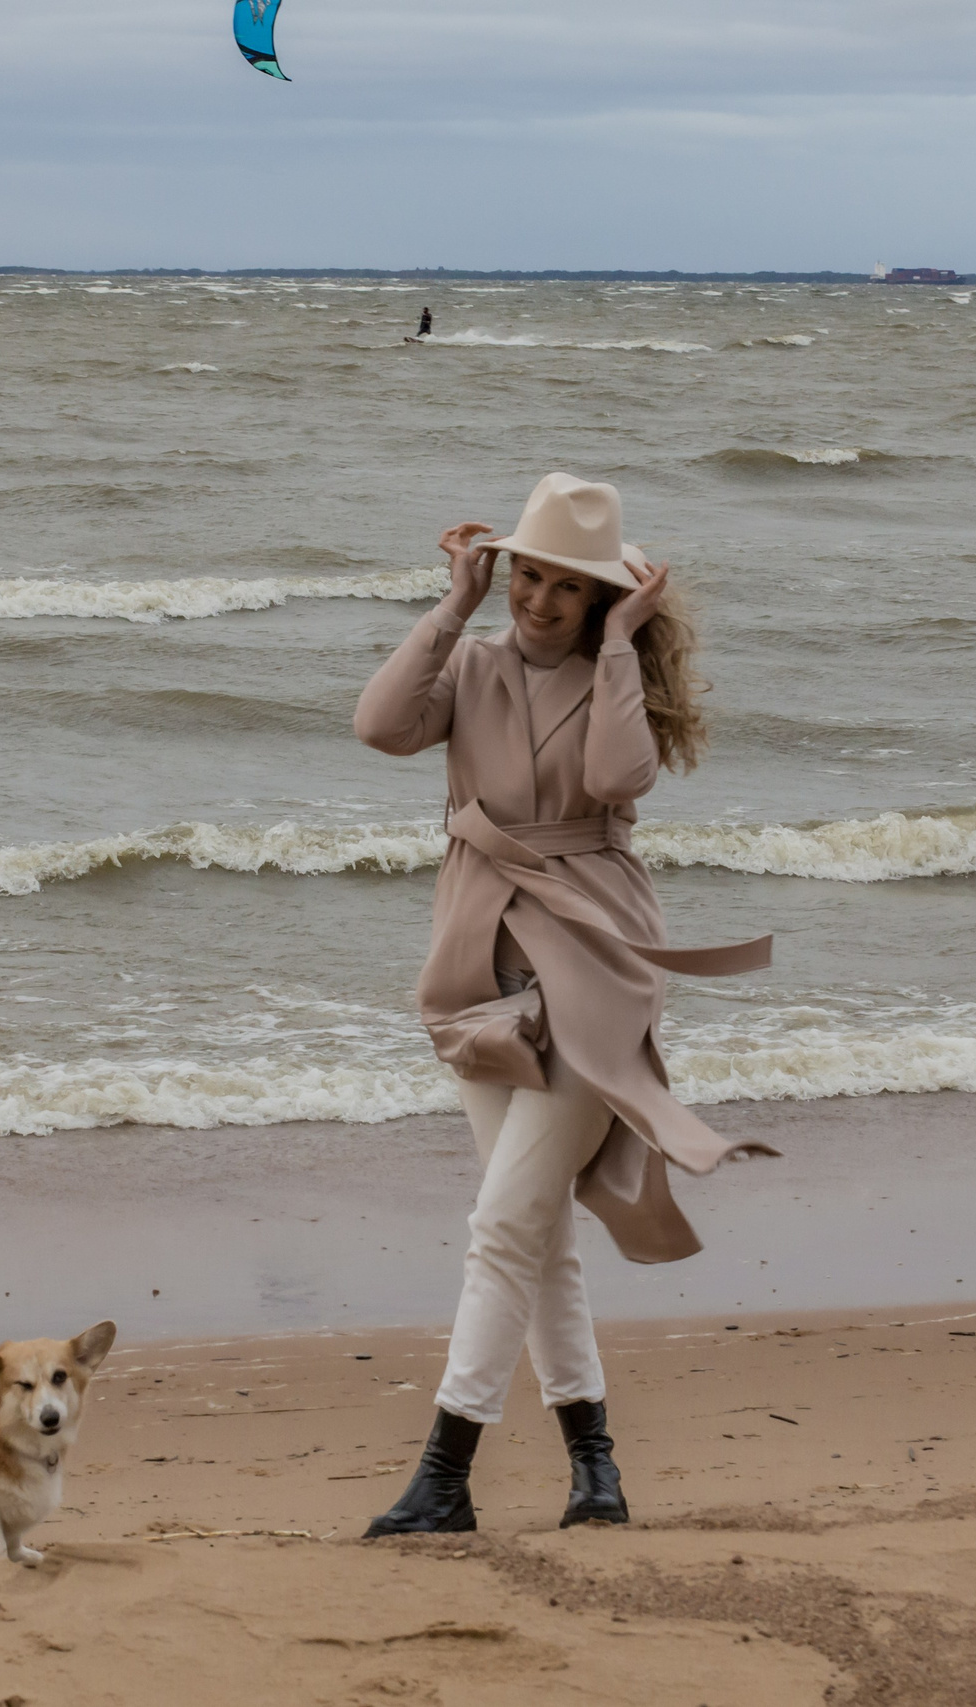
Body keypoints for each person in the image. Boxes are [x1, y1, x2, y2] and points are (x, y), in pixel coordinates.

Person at [351, 472, 772, 1536]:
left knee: (503, 1223)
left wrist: (624, 643)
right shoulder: (474, 662)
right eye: (524, 575)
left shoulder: (610, 671)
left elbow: (619, 777)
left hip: (589, 960)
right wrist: (452, 604)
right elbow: (379, 727)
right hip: (473, 966)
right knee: (534, 1231)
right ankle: (596, 1471)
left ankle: (444, 1476)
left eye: (564, 587)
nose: (536, 599)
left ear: (598, 600)